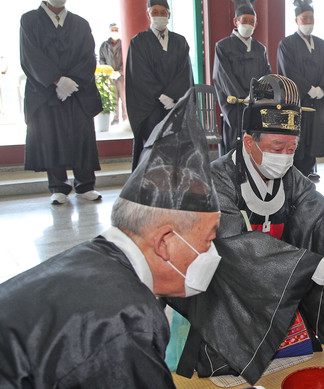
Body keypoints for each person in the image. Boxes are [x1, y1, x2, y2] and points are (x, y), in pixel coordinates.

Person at [0, 87, 222, 387]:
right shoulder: (128, 319)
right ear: (165, 242)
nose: (212, 253)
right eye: (208, 241)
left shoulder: (87, 257)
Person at [165, 75, 324, 385]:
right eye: (276, 147)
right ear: (248, 142)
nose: (284, 157)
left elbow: (317, 212)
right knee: (226, 357)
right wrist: (309, 267)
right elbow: (230, 243)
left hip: (275, 280)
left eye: (291, 148)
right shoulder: (214, 179)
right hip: (223, 285)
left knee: (298, 341)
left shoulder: (291, 175)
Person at [20, 0, 102, 205]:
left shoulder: (80, 24)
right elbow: (30, 56)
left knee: (81, 136)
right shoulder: (29, 20)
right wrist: (56, 80)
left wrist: (72, 82)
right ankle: (58, 187)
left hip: (77, 91)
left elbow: (89, 57)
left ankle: (86, 185)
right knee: (51, 137)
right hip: (46, 92)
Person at [126, 0, 194, 170]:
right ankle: (151, 188)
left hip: (175, 106)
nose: (159, 16)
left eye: (163, 12)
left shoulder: (180, 41)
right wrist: (161, 96)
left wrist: (172, 96)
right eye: (155, 12)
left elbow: (185, 73)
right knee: (152, 149)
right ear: (148, 13)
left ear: (169, 15)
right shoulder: (139, 42)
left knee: (176, 147)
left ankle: (175, 185)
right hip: (150, 108)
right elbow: (139, 74)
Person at [277, 0, 324, 180]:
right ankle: (294, 172)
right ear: (296, 20)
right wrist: (308, 89)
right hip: (298, 99)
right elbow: (288, 70)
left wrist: (321, 89)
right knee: (297, 135)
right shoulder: (286, 44)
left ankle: (309, 169)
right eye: (304, 18)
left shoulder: (321, 43)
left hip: (317, 99)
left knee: (314, 135)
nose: (308, 21)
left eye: (311, 18)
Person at [213, 0, 272, 153]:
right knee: (236, 150)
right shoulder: (223, 46)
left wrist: (259, 95)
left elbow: (267, 76)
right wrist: (242, 97)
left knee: (257, 145)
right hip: (236, 106)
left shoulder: (260, 49)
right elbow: (223, 77)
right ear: (236, 21)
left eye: (251, 21)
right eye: (244, 20)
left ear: (256, 24)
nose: (248, 24)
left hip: (256, 105)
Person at [99, 23, 127, 126]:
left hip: (122, 77)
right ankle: (115, 119)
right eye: (112, 30)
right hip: (110, 77)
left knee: (124, 99)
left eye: (116, 30)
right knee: (113, 99)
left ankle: (125, 119)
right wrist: (108, 72)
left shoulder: (123, 44)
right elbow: (101, 60)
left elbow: (127, 59)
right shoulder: (104, 45)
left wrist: (120, 72)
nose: (114, 32)